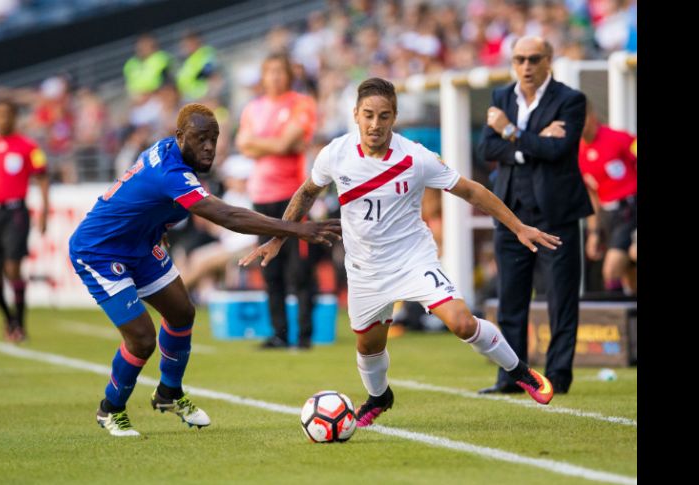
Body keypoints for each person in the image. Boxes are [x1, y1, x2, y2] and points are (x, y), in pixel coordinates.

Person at [240, 78, 560, 428]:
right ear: (356, 115)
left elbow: (472, 192)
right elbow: (305, 193)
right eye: (368, 115)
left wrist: (518, 226)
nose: (375, 124)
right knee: (368, 348)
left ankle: (520, 371)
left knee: (462, 322)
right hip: (364, 269)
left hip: (413, 260)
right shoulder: (335, 153)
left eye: (384, 116)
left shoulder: (416, 157)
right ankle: (379, 397)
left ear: (394, 117)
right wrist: (277, 237)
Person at [68, 103, 340, 437]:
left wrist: (157, 226)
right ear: (180, 137)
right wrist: (298, 229)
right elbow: (228, 216)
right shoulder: (171, 172)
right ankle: (110, 409)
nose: (209, 146)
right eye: (200, 139)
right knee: (141, 338)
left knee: (182, 313)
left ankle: (168, 393)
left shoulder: (172, 154)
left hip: (139, 245)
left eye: (213, 138)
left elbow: (141, 198)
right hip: (98, 250)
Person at [478, 36, 592, 395]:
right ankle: (511, 377)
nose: (526, 66)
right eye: (519, 59)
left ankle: (557, 376)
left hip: (555, 214)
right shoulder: (501, 97)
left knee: (561, 298)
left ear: (549, 60)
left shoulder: (570, 100)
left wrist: (511, 133)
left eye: (533, 59)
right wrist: (532, 143)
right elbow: (487, 148)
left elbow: (558, 150)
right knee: (511, 299)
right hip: (511, 212)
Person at [236, 53, 318, 349]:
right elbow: (243, 144)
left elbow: (282, 143)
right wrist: (279, 144)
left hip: (294, 197)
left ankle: (305, 334)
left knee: (299, 268)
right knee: (271, 269)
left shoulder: (301, 103)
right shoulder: (252, 108)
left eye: (279, 71)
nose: (274, 77)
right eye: (268, 71)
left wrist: (261, 144)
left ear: (289, 74)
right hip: (262, 196)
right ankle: (279, 334)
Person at [0, 100, 50, 343]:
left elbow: (42, 178)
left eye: (6, 115)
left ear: (15, 117)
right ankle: (9, 319)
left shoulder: (28, 147)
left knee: (13, 268)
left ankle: (20, 324)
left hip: (16, 211)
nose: (1, 120)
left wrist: (45, 210)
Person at [578, 105, 637, 295]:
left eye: (581, 117)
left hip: (629, 209)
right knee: (628, 271)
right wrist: (594, 232)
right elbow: (592, 196)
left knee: (611, 270)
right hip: (608, 216)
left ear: (592, 116)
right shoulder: (577, 154)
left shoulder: (619, 138)